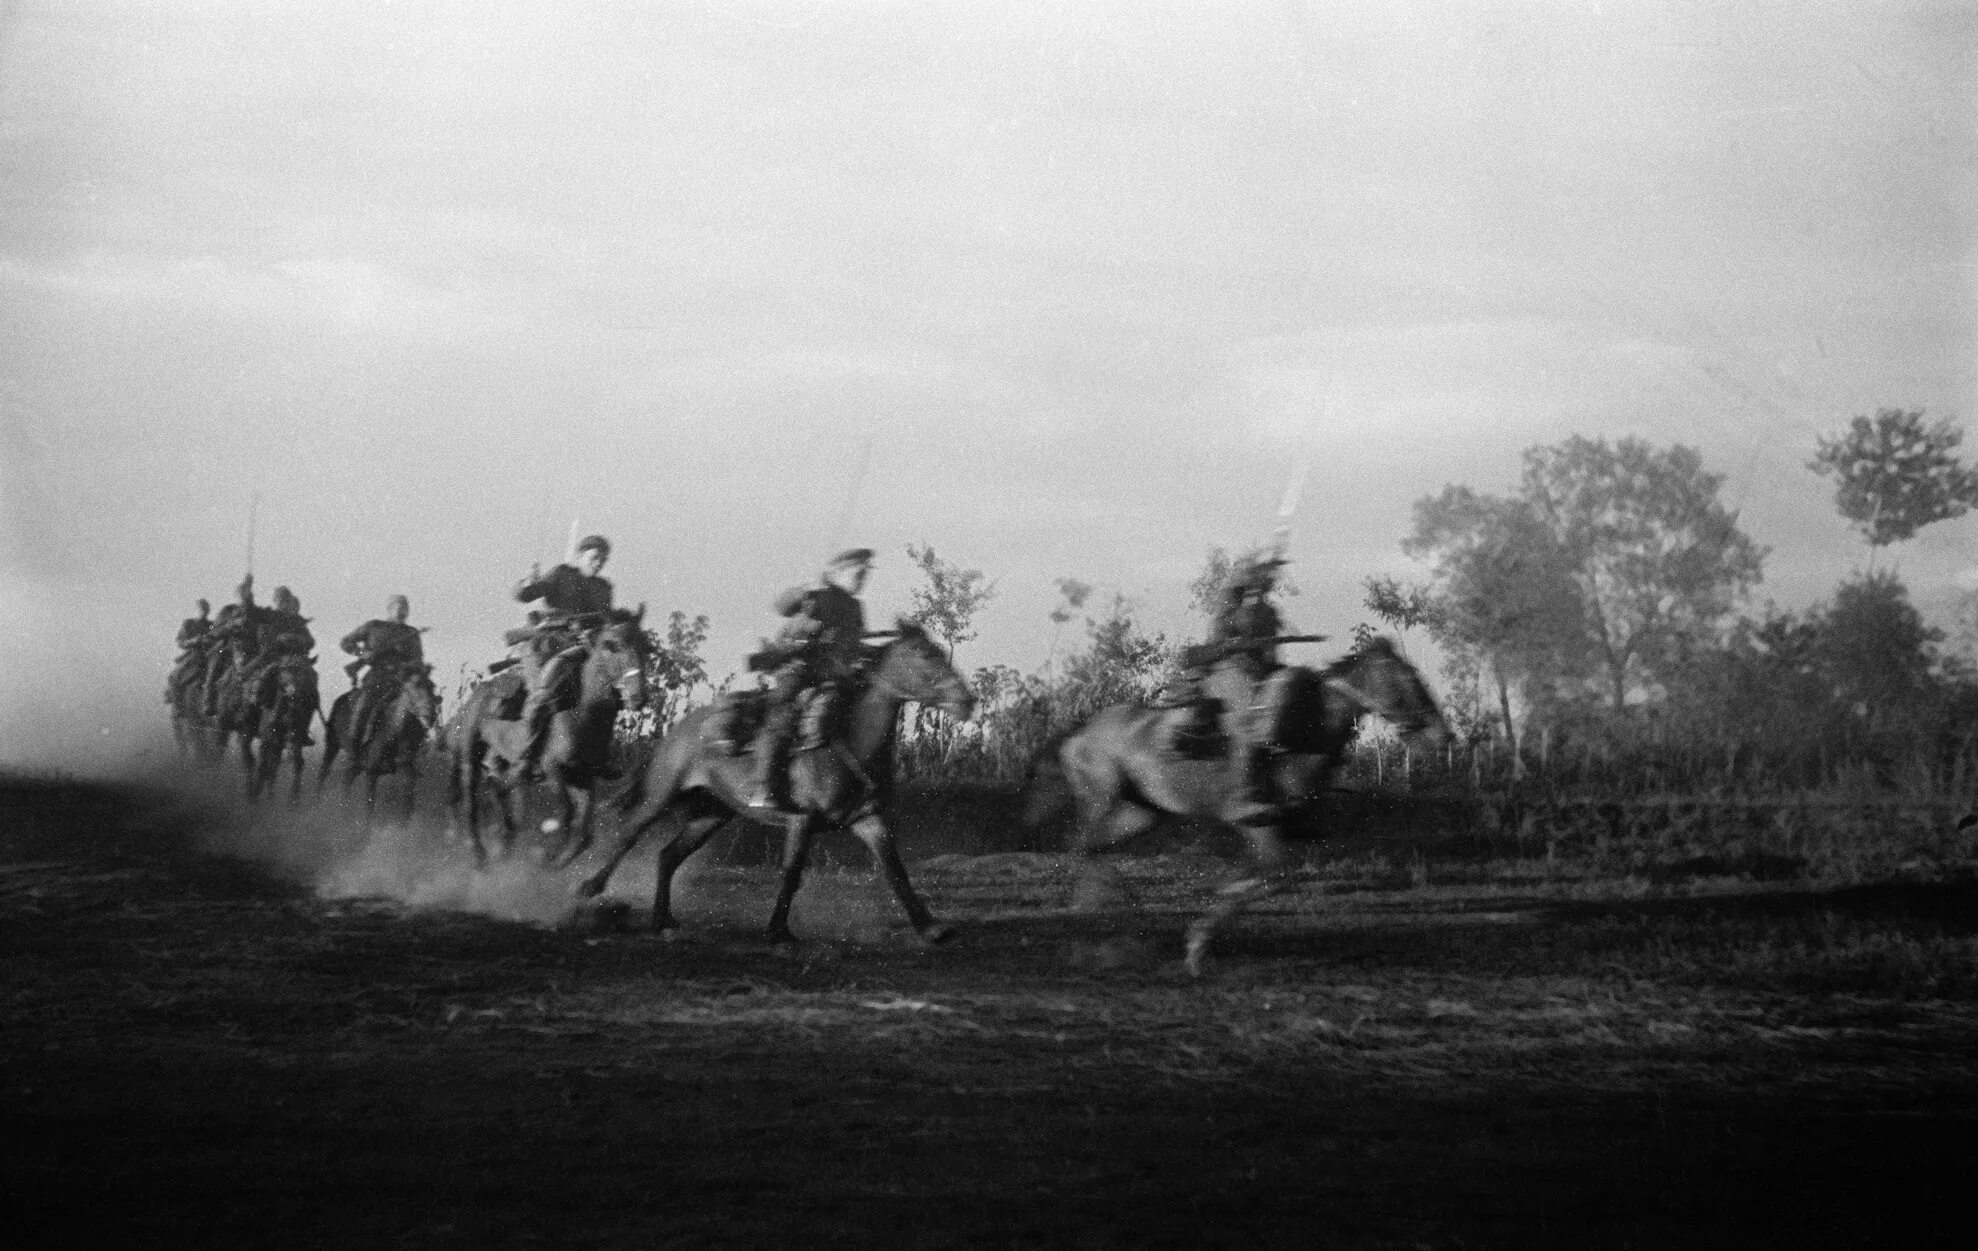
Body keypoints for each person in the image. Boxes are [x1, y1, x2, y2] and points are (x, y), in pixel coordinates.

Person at [745, 548, 874, 810]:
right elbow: (781, 608)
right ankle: (763, 786)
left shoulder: (856, 607)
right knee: (782, 711)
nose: (862, 579)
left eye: (865, 574)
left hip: (837, 675)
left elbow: (856, 644)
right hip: (800, 670)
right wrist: (803, 596)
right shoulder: (817, 597)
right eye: (858, 573)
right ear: (839, 572)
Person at [510, 535, 615, 778]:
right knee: (544, 692)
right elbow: (524, 596)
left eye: (603, 560)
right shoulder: (561, 574)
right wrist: (527, 581)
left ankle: (599, 755)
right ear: (580, 556)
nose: (598, 563)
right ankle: (527, 757)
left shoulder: (603, 589)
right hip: (551, 643)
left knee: (610, 694)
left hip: (584, 647)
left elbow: (606, 621)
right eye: (594, 557)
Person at [1196, 553, 1288, 815]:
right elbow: (1217, 640)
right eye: (1256, 580)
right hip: (1229, 669)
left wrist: (1275, 670)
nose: (1262, 585)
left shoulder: (1268, 611)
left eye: (1265, 582)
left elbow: (1272, 650)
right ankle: (1241, 793)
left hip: (1260, 670)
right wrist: (1235, 644)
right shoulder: (1229, 605)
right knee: (1246, 718)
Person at [340, 595, 426, 744]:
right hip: (377, 678)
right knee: (364, 709)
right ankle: (354, 753)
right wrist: (363, 653)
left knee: (423, 707)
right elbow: (346, 642)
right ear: (390, 608)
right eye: (399, 606)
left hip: (402, 681)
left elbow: (418, 659)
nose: (402, 611)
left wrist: (409, 666)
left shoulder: (411, 633)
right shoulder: (374, 626)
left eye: (406, 608)